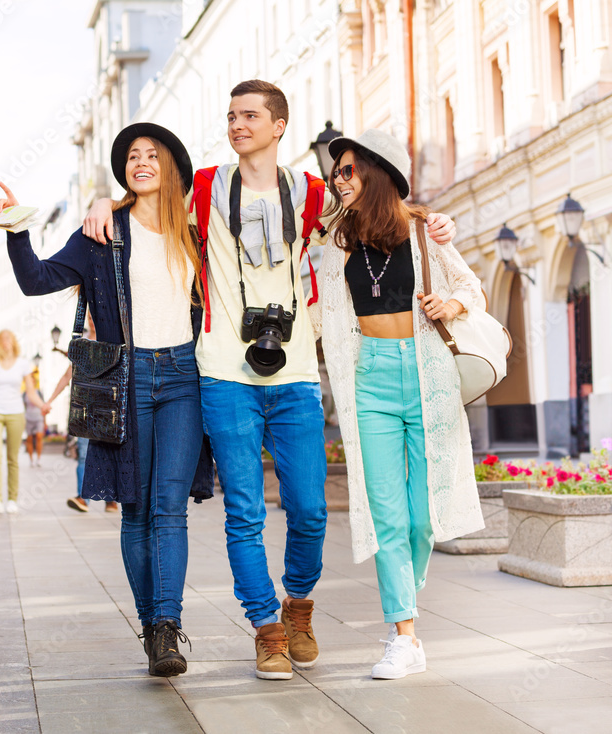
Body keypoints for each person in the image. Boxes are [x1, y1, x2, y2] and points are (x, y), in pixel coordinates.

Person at [83, 80, 457, 680]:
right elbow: (148, 199)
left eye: (250, 115)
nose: (237, 124)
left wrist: (429, 217)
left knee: (309, 510)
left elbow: (375, 210)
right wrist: (107, 201)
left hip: (297, 375)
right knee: (245, 514)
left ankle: (300, 605)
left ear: (279, 126)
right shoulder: (204, 186)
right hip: (224, 374)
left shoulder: (311, 191)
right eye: (230, 115)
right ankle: (267, 628)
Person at [0, 122, 214, 677]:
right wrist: (18, 229)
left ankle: (167, 623)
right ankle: (153, 630)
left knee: (169, 509)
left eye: (151, 154)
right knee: (135, 511)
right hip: (127, 378)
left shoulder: (195, 229)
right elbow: (36, 280)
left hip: (185, 374)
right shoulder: (102, 230)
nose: (141, 161)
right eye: (132, 155)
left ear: (170, 167)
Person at [311, 129, 484, 679]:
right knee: (385, 510)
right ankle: (402, 634)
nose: (339, 179)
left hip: (427, 373)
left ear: (378, 173)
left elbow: (472, 289)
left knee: (421, 517)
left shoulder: (424, 231)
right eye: (336, 171)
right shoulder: (334, 240)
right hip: (371, 379)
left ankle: (405, 606)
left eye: (348, 170)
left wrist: (450, 303)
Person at [0, 330, 50, 514]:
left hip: (15, 413)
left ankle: (12, 499)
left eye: (8, 338)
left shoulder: (23, 364)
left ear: (13, 341)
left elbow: (31, 392)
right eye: (2, 339)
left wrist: (43, 405)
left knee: (13, 458)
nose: (5, 342)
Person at [46, 341, 118, 514]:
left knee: (108, 454)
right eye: (90, 316)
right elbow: (66, 377)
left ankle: (110, 500)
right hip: (86, 410)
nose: (93, 320)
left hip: (109, 408)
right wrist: (49, 401)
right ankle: (82, 498)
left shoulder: (114, 337)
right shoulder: (84, 346)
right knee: (83, 454)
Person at [23, 373, 46, 467]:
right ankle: (31, 459)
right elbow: (23, 407)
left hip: (39, 418)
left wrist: (45, 421)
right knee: (29, 439)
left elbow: (43, 407)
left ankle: (39, 458)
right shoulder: (24, 394)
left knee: (39, 436)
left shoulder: (39, 393)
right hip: (28, 418)